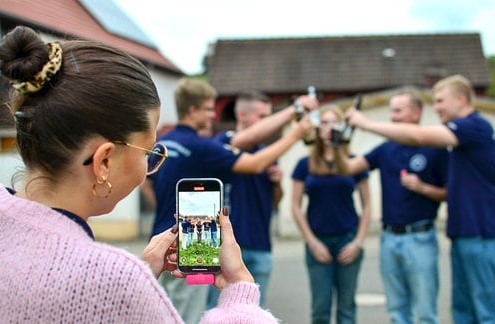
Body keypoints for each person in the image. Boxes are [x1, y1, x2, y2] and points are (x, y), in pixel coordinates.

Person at [0, 26, 278, 323]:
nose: (148, 169)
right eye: (149, 153)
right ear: (104, 161)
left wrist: (141, 273)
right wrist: (239, 289)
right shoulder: (111, 281)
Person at [141, 78, 315, 323]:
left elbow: (144, 180)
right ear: (192, 110)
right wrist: (295, 133)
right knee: (188, 317)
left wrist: (164, 206)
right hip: (190, 248)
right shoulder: (201, 147)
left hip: (158, 244)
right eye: (209, 109)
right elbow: (255, 164)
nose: (213, 115)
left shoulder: (164, 144)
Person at [346, 75, 495, 323]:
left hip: (485, 233)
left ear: (461, 99)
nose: (435, 108)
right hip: (465, 233)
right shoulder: (461, 139)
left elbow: (418, 137)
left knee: (490, 311)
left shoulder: (475, 126)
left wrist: (365, 123)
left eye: (440, 101)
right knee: (464, 311)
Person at [337, 88, 448, 323]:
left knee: (426, 313)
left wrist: (422, 188)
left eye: (398, 111)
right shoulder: (386, 148)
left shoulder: (435, 148)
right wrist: (337, 143)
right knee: (397, 312)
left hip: (421, 238)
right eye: (391, 111)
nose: (393, 116)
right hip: (389, 238)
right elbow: (347, 168)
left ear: (416, 113)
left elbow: (449, 194)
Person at [206, 90, 319, 308]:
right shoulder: (223, 142)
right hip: (226, 247)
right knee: (218, 313)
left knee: (253, 314)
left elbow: (275, 201)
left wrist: (276, 184)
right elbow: (246, 142)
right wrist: (293, 118)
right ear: (242, 115)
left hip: (261, 246)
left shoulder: (266, 152)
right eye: (262, 117)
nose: (269, 123)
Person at [291, 104, 372, 324]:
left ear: (343, 128)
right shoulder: (304, 165)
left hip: (347, 238)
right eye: (324, 122)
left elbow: (367, 206)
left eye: (334, 122)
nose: (329, 128)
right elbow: (295, 206)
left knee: (346, 308)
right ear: (317, 128)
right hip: (318, 240)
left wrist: (358, 242)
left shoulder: (354, 162)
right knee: (320, 308)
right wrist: (312, 242)